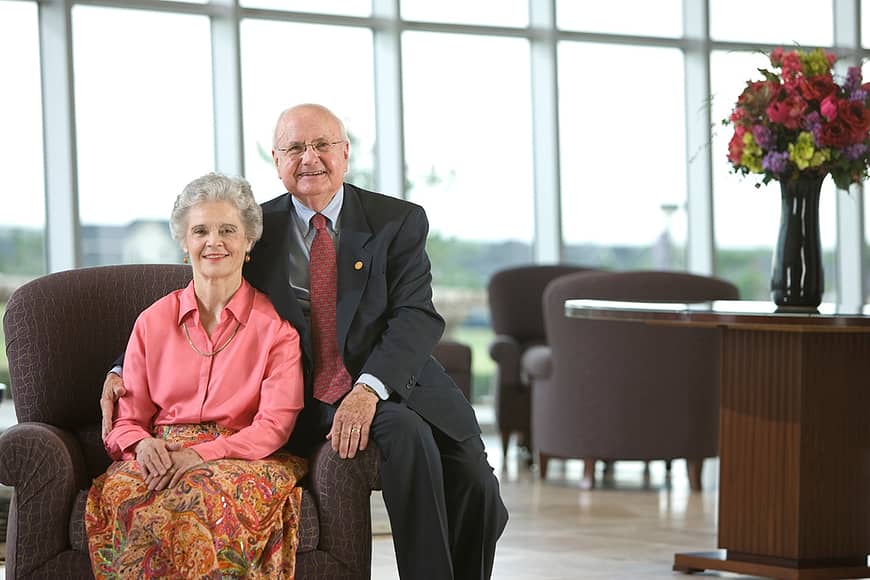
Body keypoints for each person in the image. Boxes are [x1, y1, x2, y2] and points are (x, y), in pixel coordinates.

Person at [102, 104, 508, 579]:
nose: (309, 158)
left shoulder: (397, 221)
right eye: (294, 148)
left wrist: (369, 388)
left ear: (345, 153)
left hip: (397, 378)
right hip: (313, 393)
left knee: (479, 489)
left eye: (321, 145)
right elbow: (200, 288)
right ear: (276, 160)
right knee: (405, 436)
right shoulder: (254, 227)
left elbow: (415, 316)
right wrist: (120, 369)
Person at [88, 173, 307, 578]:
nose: (214, 241)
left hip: (242, 455)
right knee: (127, 491)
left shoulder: (276, 331)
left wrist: (198, 456)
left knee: (197, 498)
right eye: (201, 230)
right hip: (160, 452)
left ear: (248, 243)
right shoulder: (152, 323)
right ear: (184, 242)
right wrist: (142, 445)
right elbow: (127, 421)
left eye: (228, 230)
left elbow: (273, 428)